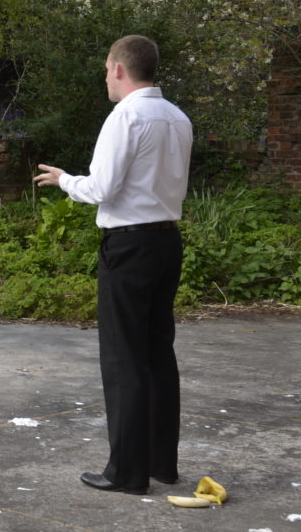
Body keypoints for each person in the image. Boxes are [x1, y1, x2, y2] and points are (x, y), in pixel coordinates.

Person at [32, 34, 192, 495]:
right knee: (159, 354)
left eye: (106, 70)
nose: (105, 77)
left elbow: (101, 187)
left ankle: (126, 472)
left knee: (124, 359)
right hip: (167, 243)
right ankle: (162, 463)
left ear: (119, 69)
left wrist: (65, 180)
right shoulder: (178, 118)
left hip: (129, 246)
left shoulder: (126, 116)